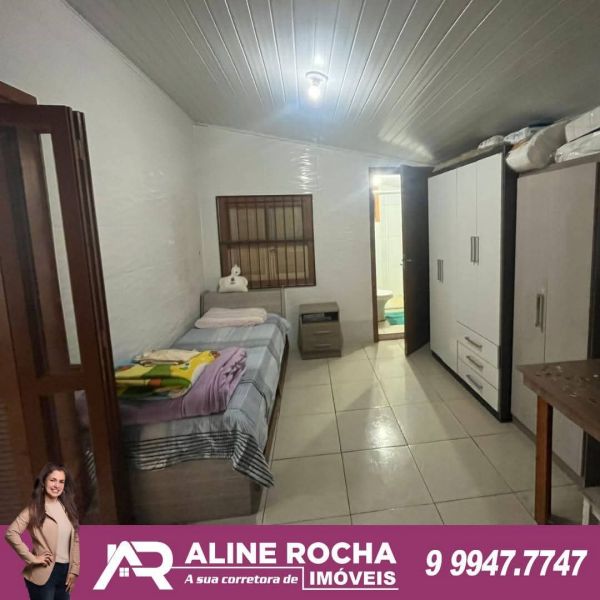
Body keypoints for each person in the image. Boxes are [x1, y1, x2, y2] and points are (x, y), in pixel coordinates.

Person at [5, 462, 80, 599]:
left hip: (65, 572)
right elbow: (11, 533)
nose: (57, 485)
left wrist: (74, 570)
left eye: (61, 481)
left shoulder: (67, 507)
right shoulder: (34, 509)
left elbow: (75, 539)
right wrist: (32, 558)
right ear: (44, 482)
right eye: (53, 480)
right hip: (43, 574)